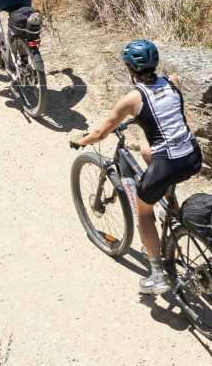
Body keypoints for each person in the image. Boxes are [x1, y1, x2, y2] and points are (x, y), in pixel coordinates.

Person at [69, 39, 202, 296]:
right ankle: (172, 210)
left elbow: (100, 132)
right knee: (145, 149)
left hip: (170, 163)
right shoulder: (172, 81)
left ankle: (157, 275)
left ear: (130, 69)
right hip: (192, 155)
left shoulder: (132, 99)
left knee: (143, 212)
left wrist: (81, 140)